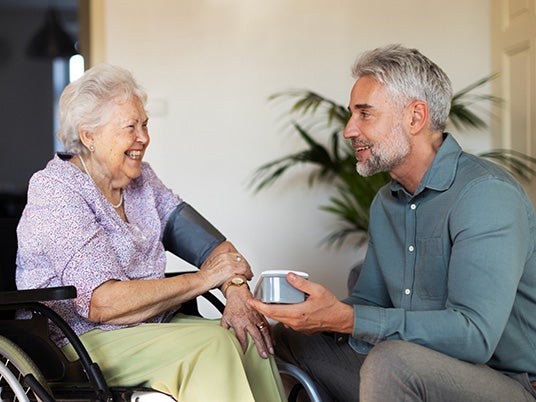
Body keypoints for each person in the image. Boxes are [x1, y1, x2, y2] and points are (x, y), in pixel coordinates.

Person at [249, 44, 536, 402]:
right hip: (412, 367)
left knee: (392, 362)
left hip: (507, 383)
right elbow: (369, 302)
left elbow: (475, 335)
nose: (349, 130)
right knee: (280, 341)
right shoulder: (387, 202)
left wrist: (348, 320)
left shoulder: (485, 194)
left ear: (415, 117)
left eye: (364, 114)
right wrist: (318, 315)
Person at [16, 63, 285, 402]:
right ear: (89, 136)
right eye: (131, 127)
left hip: (150, 328)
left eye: (144, 125)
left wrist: (235, 290)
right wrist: (205, 280)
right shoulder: (57, 189)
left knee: (247, 334)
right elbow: (101, 304)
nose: (143, 138)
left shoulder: (143, 181)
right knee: (213, 345)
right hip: (78, 338)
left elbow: (214, 249)